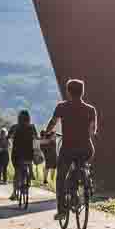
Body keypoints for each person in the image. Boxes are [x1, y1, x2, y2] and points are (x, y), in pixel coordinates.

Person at [43, 79, 97, 220]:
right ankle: (84, 179)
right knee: (80, 164)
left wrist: (47, 132)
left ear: (68, 91)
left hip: (68, 148)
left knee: (61, 178)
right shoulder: (91, 110)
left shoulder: (61, 107)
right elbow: (92, 131)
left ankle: (61, 211)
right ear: (82, 92)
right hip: (86, 149)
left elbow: (53, 123)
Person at [7, 111, 38, 201]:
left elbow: (8, 137)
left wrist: (10, 137)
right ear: (29, 118)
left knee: (17, 172)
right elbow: (36, 138)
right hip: (29, 153)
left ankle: (14, 193)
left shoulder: (15, 127)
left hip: (17, 153)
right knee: (28, 162)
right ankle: (30, 173)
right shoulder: (32, 127)